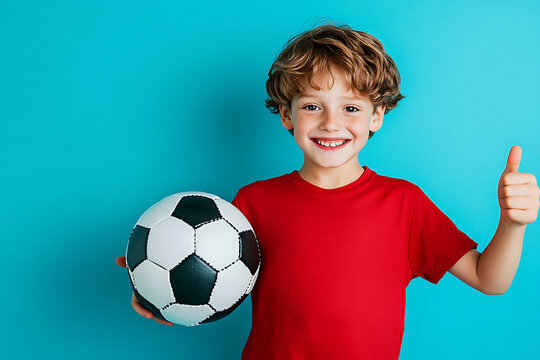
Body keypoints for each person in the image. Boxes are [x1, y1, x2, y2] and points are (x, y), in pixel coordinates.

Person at [116, 21, 540, 359]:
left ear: (377, 116)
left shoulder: (404, 203)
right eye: (312, 106)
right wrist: (156, 288)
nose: (331, 123)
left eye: (351, 108)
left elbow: (490, 279)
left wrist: (513, 224)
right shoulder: (251, 204)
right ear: (287, 114)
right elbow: (208, 275)